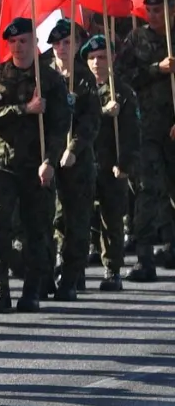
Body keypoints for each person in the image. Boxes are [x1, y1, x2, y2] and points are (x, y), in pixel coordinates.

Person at [0, 18, 70, 312]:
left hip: (37, 165)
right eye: (13, 42)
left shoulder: (51, 80)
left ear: (35, 43)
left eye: (24, 41)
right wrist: (24, 109)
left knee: (37, 228)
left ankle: (32, 290)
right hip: (1, 165)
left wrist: (50, 162)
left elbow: (60, 127)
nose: (18, 47)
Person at [114, 0, 175, 282]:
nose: (153, 15)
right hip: (148, 128)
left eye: (159, 9)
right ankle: (144, 259)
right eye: (149, 10)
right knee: (148, 191)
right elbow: (122, 77)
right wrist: (156, 70)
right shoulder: (137, 39)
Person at [47, 19, 99, 300]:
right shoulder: (45, 75)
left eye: (67, 42)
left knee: (76, 219)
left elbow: (91, 120)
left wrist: (74, 148)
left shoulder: (84, 77)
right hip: (49, 158)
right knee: (54, 219)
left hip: (76, 161)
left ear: (77, 45)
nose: (61, 48)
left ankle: (71, 277)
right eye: (57, 43)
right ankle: (57, 271)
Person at [84, 34, 138, 290]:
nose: (97, 63)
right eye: (92, 58)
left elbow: (131, 131)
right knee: (79, 217)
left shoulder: (123, 92)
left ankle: (112, 269)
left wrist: (124, 163)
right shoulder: (81, 89)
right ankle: (74, 268)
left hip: (111, 163)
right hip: (85, 163)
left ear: (113, 58)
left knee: (111, 218)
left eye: (102, 57)